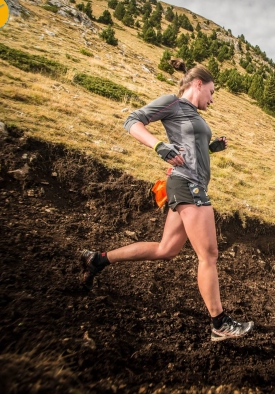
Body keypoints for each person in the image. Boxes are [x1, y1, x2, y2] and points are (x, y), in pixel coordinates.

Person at [79, 66, 253, 342]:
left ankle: (98, 259)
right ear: (198, 84)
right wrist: (158, 145)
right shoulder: (172, 102)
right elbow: (132, 121)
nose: (213, 98)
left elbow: (189, 146)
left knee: (166, 249)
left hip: (188, 183)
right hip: (187, 185)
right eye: (211, 91)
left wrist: (210, 148)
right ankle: (219, 323)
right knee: (208, 255)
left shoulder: (193, 115)